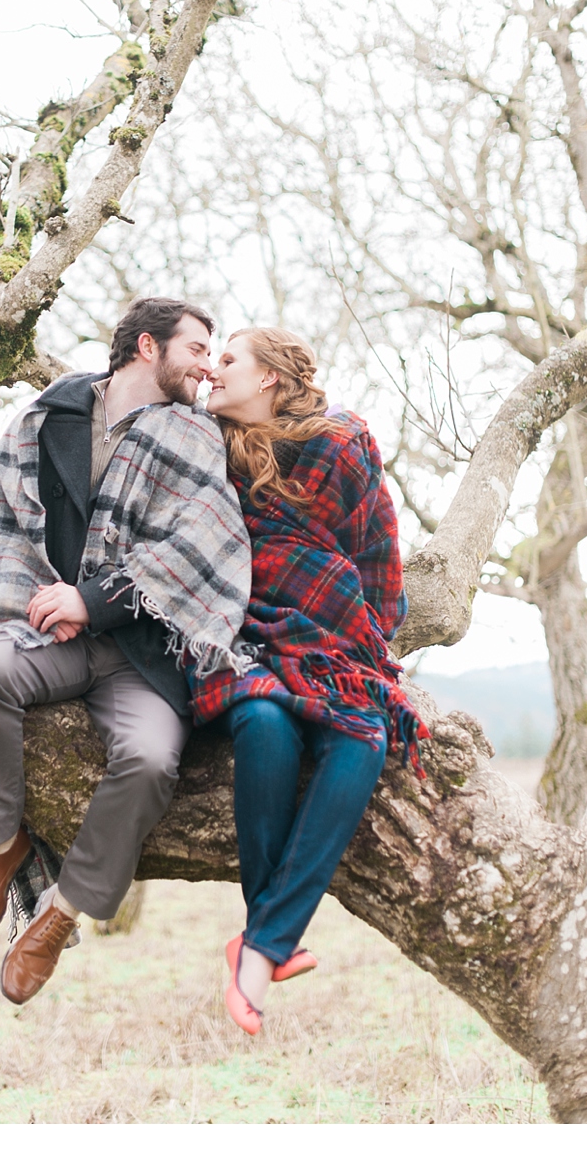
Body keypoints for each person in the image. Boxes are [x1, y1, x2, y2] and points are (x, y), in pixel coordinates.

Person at [0, 297, 251, 1005]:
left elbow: (197, 546)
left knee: (151, 758)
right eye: (197, 348)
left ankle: (59, 912)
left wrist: (93, 602)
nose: (207, 366)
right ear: (145, 347)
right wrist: (41, 601)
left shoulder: (195, 434)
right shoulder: (53, 414)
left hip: (143, 651)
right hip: (50, 633)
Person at [190, 327, 426, 1035]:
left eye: (226, 360)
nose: (211, 372)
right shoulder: (203, 449)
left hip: (329, 624)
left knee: (362, 736)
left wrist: (371, 636)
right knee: (262, 723)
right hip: (242, 627)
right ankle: (268, 942)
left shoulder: (342, 441)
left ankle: (258, 941)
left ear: (268, 376)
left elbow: (377, 541)